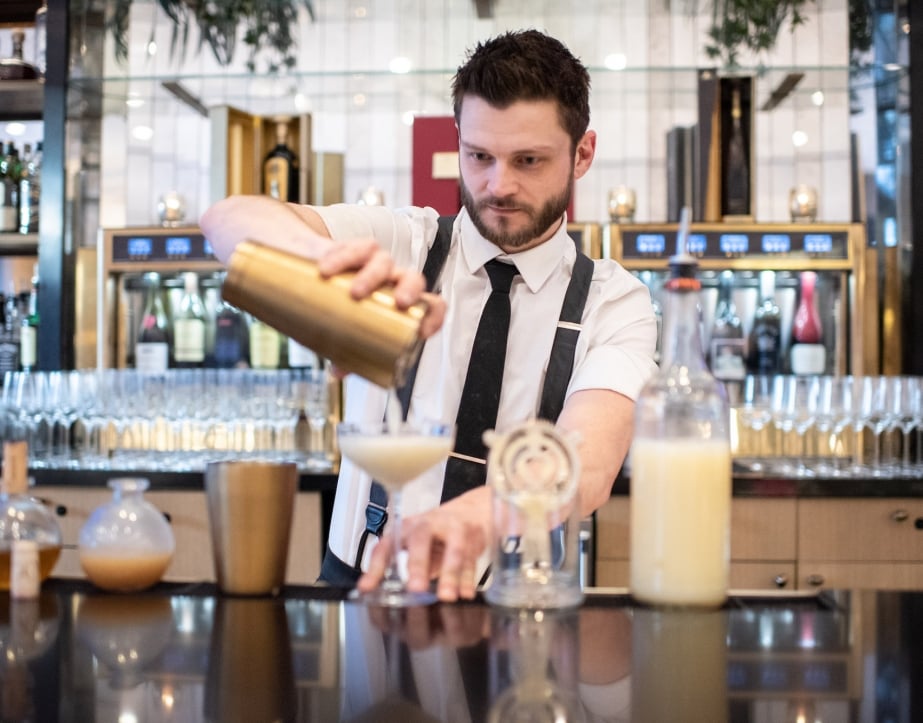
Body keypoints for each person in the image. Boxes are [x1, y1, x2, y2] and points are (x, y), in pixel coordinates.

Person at [201, 29, 657, 602]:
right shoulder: (403, 244)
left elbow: (589, 459)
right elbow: (226, 220)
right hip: (363, 593)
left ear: (582, 154)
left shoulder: (614, 301)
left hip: (516, 609)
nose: (499, 185)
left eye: (529, 160)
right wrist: (324, 260)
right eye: (480, 156)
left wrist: (483, 513)